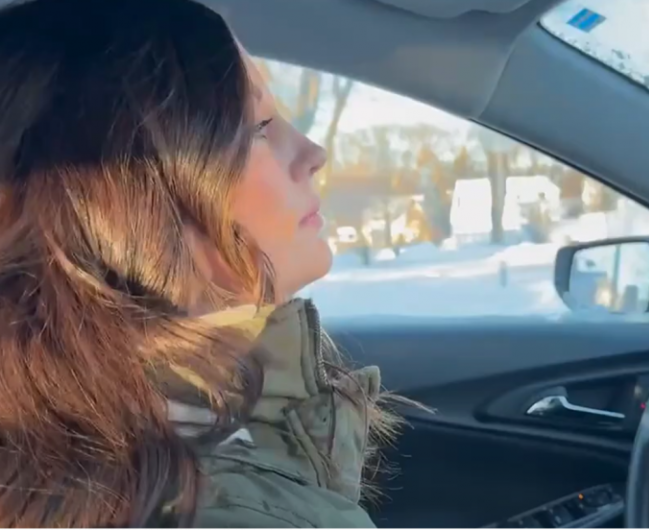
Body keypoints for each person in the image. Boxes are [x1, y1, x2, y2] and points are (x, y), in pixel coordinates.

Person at [0, 0, 404, 528]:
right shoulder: (235, 511)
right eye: (259, 125)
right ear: (125, 198)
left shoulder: (80, 450)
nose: (311, 152)